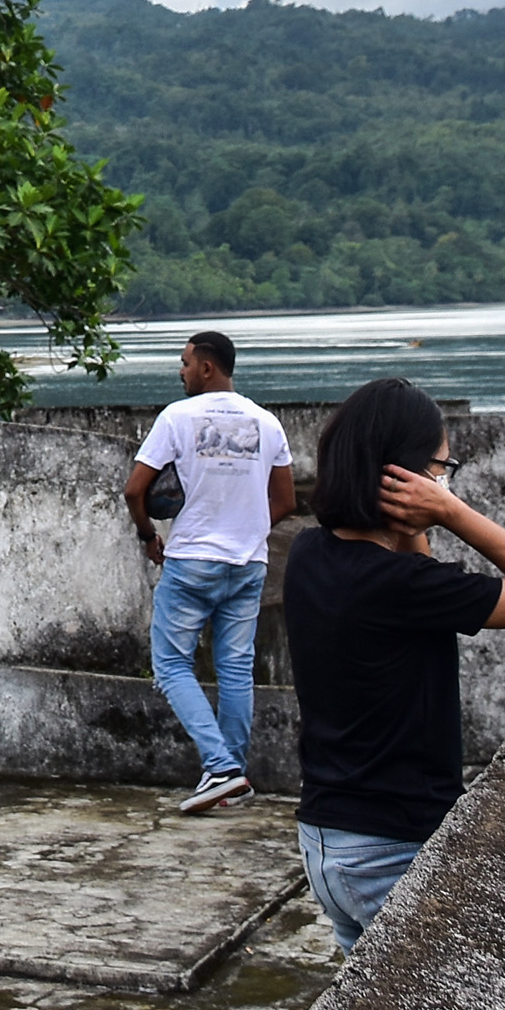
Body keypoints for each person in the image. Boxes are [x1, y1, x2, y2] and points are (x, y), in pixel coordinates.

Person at [279, 376, 505, 949]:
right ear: (407, 477)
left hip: (327, 839)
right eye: (442, 469)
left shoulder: (310, 552)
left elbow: (413, 569)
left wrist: (419, 517)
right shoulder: (402, 586)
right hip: (391, 847)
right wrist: (451, 513)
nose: (446, 482)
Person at [124, 330, 294, 814]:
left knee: (172, 665)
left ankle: (220, 768)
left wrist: (148, 535)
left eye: (184, 363)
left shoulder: (177, 417)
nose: (180, 371)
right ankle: (231, 779)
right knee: (236, 668)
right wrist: (247, 527)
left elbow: (136, 489)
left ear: (206, 367)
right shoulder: (267, 422)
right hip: (247, 563)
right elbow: (284, 501)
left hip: (193, 558)